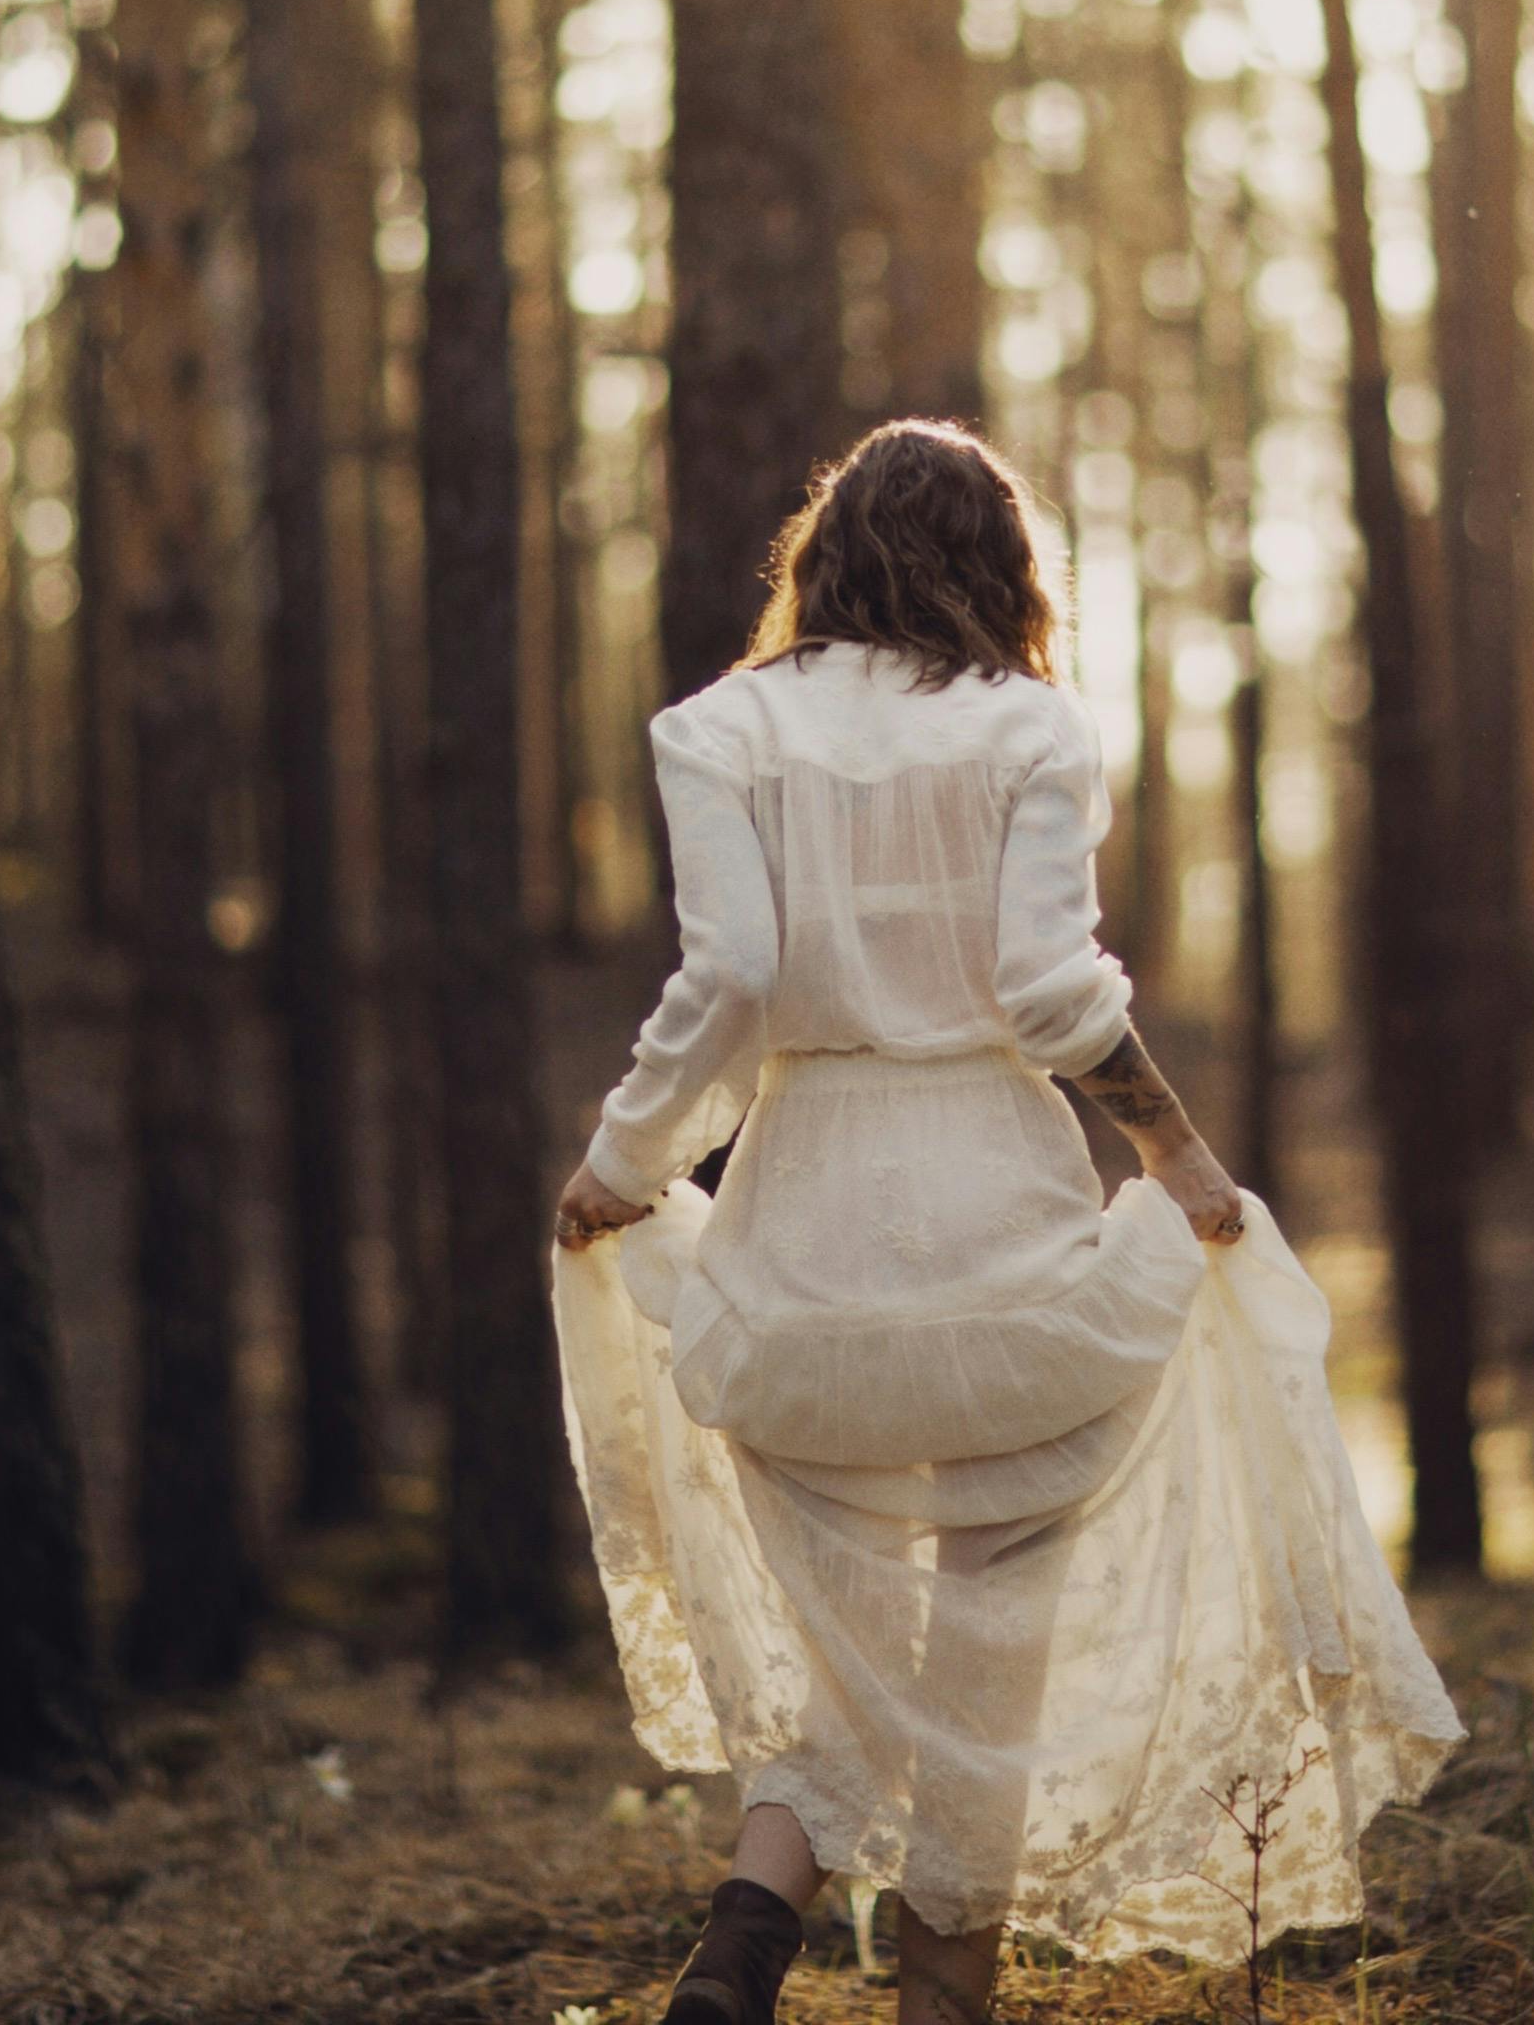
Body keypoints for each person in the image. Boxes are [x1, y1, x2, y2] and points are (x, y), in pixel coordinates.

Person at [549, 420, 1462, 2025]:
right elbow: (1050, 992)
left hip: (802, 1253)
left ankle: (747, 1935)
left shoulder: (719, 730)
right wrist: (1179, 1164)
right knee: (987, 1642)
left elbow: (733, 984)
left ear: (821, 558)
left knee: (835, 1654)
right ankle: (940, 2009)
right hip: (999, 1243)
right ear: (1003, 568)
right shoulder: (1034, 728)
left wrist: (630, 1160)